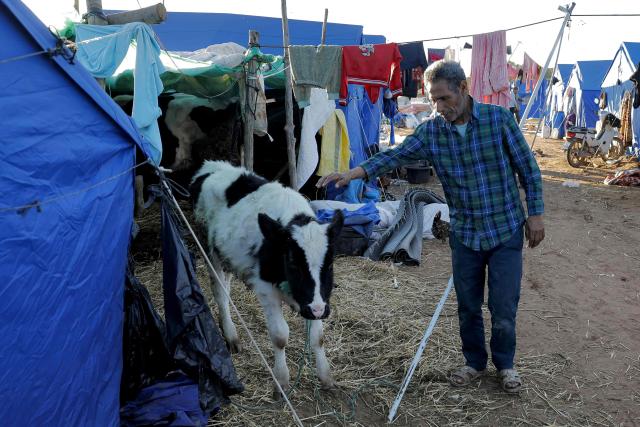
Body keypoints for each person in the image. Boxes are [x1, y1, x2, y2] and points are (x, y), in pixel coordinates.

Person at [317, 60, 545, 393]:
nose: (439, 107)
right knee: (467, 305)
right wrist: (353, 173)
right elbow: (394, 156)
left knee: (503, 306)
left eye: (444, 98)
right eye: (434, 100)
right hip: (465, 233)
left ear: (463, 88)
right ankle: (474, 363)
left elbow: (528, 169)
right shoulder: (432, 131)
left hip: (504, 228)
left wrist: (535, 214)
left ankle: (505, 366)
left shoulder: (498, 121)